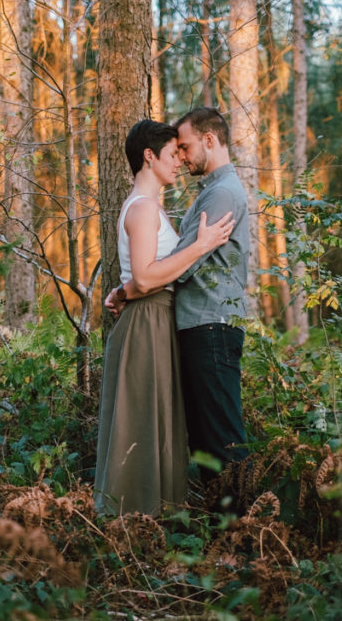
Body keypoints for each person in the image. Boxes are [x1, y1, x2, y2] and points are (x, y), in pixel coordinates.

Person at [94, 119, 235, 516]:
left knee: (156, 418)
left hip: (156, 318)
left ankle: (154, 520)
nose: (179, 162)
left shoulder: (151, 208)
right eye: (173, 155)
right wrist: (202, 246)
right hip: (146, 323)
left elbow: (137, 281)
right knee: (140, 420)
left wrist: (122, 292)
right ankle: (131, 520)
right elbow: (144, 276)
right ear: (149, 156)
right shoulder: (141, 209)